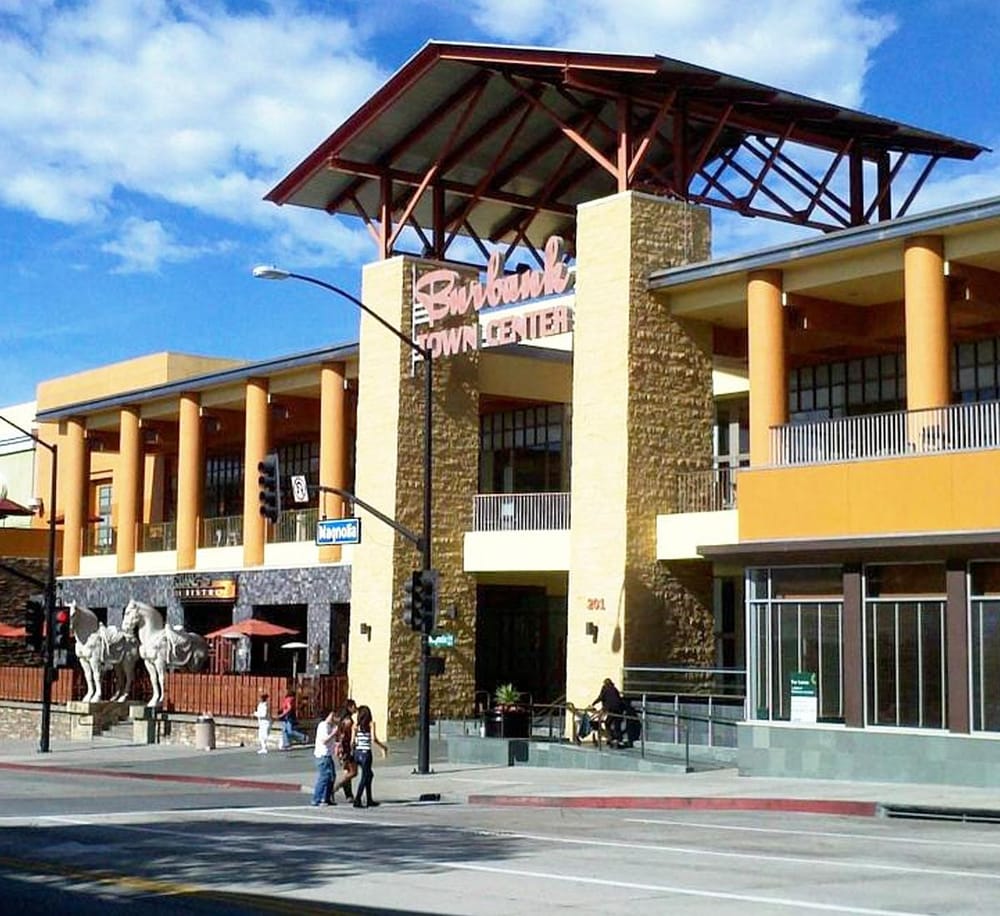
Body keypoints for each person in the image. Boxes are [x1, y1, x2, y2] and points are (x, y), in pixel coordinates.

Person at [351, 704, 387, 809]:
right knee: (365, 776)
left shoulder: (355, 726)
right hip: (366, 753)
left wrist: (353, 751)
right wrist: (383, 747)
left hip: (357, 753)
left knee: (369, 775)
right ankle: (358, 799)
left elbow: (352, 742)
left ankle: (369, 799)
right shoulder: (371, 724)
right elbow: (374, 739)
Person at [332, 699, 357, 801]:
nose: (355, 708)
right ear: (349, 707)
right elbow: (343, 736)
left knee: (347, 772)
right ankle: (335, 788)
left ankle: (349, 795)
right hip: (346, 749)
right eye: (354, 706)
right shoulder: (348, 721)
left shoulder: (341, 720)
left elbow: (338, 735)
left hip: (342, 749)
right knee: (353, 772)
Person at [311, 709, 338, 806]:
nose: (333, 718)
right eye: (332, 715)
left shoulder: (330, 726)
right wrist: (334, 733)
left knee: (332, 776)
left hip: (328, 755)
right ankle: (317, 798)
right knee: (324, 777)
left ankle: (326, 798)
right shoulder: (323, 725)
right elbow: (324, 740)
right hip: (322, 755)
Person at [593, 678, 624, 747]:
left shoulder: (605, 688)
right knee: (617, 725)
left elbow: (600, 697)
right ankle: (618, 739)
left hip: (612, 709)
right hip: (619, 709)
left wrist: (593, 703)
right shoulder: (614, 689)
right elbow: (618, 698)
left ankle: (611, 738)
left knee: (607, 723)